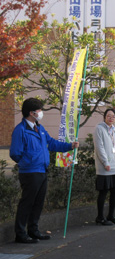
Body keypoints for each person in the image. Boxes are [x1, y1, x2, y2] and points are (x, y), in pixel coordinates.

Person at [10, 98, 79, 243]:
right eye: (39, 110)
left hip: (42, 170)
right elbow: (15, 153)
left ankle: (33, 230)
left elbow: (52, 144)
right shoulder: (21, 130)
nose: (41, 113)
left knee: (38, 202)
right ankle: (20, 233)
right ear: (31, 112)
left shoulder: (39, 128)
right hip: (30, 172)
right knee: (27, 202)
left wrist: (69, 146)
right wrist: (28, 161)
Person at [93, 108, 115, 225]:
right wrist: (105, 162)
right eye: (108, 116)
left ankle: (111, 215)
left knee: (114, 192)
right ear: (104, 117)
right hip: (105, 167)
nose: (111, 118)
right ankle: (100, 217)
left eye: (113, 117)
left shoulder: (114, 130)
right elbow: (99, 148)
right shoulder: (99, 129)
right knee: (103, 192)